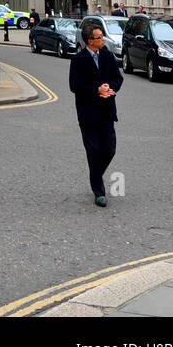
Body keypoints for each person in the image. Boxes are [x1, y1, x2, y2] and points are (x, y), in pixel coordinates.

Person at [68, 19, 123, 207]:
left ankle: (95, 174)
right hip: (88, 114)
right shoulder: (78, 60)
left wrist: (110, 87)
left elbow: (118, 77)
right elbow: (74, 86)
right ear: (90, 41)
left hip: (107, 111)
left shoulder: (107, 55)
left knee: (109, 150)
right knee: (93, 152)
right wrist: (96, 90)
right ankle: (99, 192)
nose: (103, 40)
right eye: (100, 38)